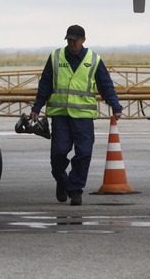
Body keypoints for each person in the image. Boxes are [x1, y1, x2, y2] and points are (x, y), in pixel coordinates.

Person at [30, 25, 123, 206]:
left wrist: (115, 105)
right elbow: (46, 83)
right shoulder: (56, 57)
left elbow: (105, 84)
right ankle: (63, 181)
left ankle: (75, 190)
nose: (71, 43)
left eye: (75, 40)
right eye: (69, 40)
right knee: (58, 154)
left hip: (83, 117)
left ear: (83, 40)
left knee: (84, 154)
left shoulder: (94, 60)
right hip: (60, 115)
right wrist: (36, 107)